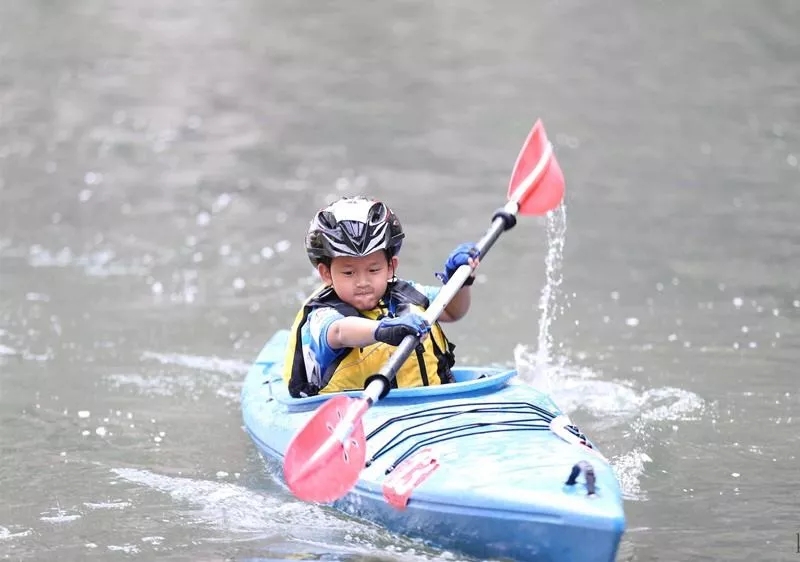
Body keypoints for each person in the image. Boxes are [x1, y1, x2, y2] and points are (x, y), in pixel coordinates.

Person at [282, 195, 480, 398]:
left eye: (374, 269)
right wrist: (383, 330)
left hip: (428, 406)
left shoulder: (409, 295)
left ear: (390, 267)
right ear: (325, 274)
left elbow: (452, 310)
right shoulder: (322, 314)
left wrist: (461, 282)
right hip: (358, 415)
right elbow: (339, 332)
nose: (362, 282)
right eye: (349, 273)